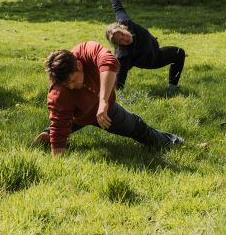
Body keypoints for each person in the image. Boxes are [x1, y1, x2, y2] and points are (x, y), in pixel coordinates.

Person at [36, 42, 183, 157]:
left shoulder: (85, 51)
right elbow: (59, 124)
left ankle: (174, 142)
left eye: (73, 80)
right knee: (61, 125)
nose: (72, 86)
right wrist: (58, 166)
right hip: (78, 114)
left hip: (106, 111)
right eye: (67, 84)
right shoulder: (59, 92)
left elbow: (109, 62)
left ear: (79, 65)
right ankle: (48, 135)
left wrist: (103, 102)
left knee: (138, 128)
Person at [94, 0, 186, 94]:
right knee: (117, 72)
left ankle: (173, 88)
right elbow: (120, 80)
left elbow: (117, 6)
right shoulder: (124, 54)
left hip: (156, 51)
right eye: (120, 41)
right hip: (151, 60)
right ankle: (97, 83)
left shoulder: (125, 21)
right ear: (118, 45)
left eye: (122, 34)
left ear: (124, 28)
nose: (124, 39)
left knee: (179, 53)